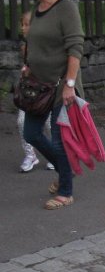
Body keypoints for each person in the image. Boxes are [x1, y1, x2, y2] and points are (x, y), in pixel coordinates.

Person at [20, 0, 84, 210]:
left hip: (60, 88)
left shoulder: (65, 7)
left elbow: (75, 47)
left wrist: (70, 84)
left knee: (59, 140)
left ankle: (66, 191)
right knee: (31, 133)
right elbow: (35, 43)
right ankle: (65, 169)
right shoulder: (37, 10)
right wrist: (27, 65)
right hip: (37, 86)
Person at [16, 11, 55, 173]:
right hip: (29, 92)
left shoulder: (48, 46)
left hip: (45, 92)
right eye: (22, 25)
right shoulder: (25, 47)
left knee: (49, 124)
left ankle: (55, 153)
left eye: (27, 24)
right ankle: (30, 155)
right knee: (21, 122)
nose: (23, 28)